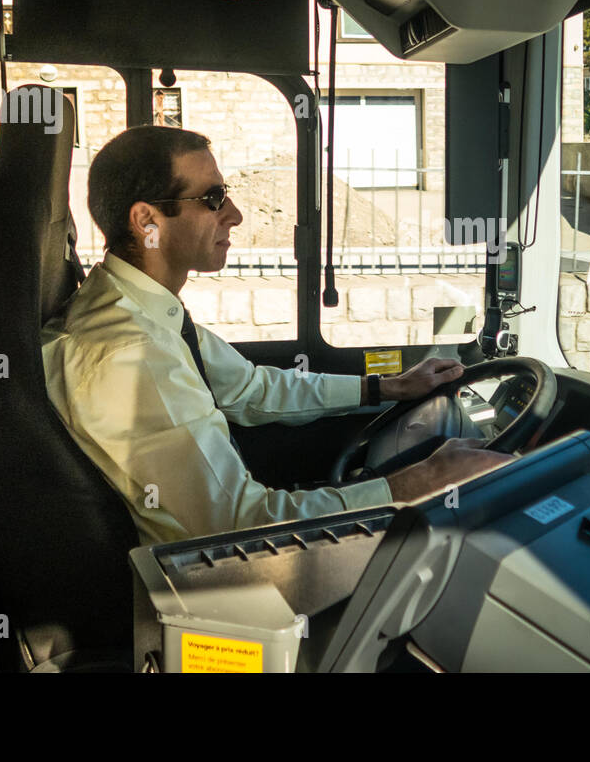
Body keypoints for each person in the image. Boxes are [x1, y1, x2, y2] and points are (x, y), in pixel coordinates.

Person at [42, 126, 510, 545]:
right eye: (212, 199)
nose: (236, 214)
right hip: (210, 588)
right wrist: (421, 482)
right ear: (147, 222)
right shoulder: (132, 356)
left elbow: (251, 389)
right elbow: (239, 526)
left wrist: (387, 388)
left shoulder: (140, 309)